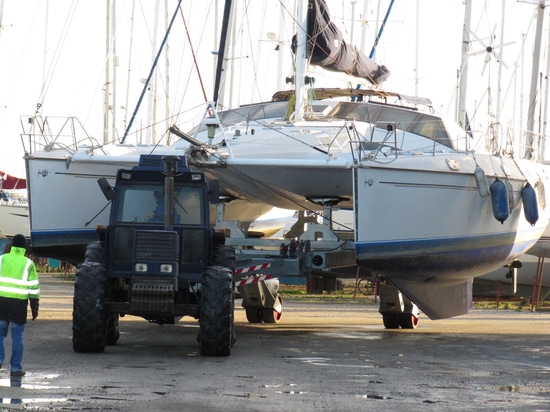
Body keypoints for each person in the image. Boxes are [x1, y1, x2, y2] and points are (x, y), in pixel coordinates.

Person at [0, 234, 40, 377]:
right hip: (18, 304)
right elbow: (33, 287)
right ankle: (15, 368)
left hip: (1, 302)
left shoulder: (1, 259)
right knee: (17, 337)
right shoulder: (28, 263)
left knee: (0, 334)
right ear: (24, 247)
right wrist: (34, 307)